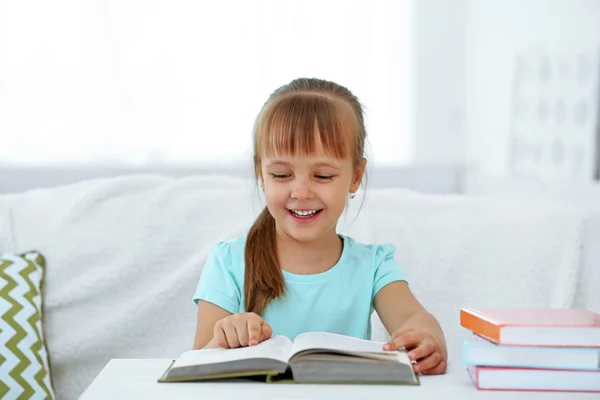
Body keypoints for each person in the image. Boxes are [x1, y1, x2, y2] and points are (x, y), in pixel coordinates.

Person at [192, 77, 447, 375]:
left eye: (323, 176)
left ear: (355, 176)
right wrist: (226, 336)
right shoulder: (228, 263)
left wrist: (427, 338)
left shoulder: (374, 265)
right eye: (281, 175)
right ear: (260, 174)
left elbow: (414, 319)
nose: (301, 192)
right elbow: (197, 362)